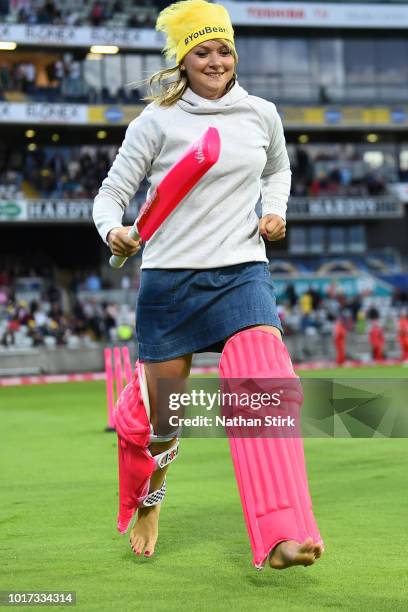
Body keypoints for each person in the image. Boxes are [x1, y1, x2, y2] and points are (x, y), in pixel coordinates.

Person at [93, 0, 323, 570]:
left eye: (224, 50)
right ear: (184, 60)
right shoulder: (156, 123)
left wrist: (275, 211)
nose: (215, 60)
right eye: (203, 51)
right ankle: (152, 499)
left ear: (234, 55)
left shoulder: (261, 113)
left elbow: (277, 169)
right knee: (164, 422)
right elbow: (109, 195)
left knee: (267, 390)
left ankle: (281, 535)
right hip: (171, 281)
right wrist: (115, 231)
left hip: (243, 271)